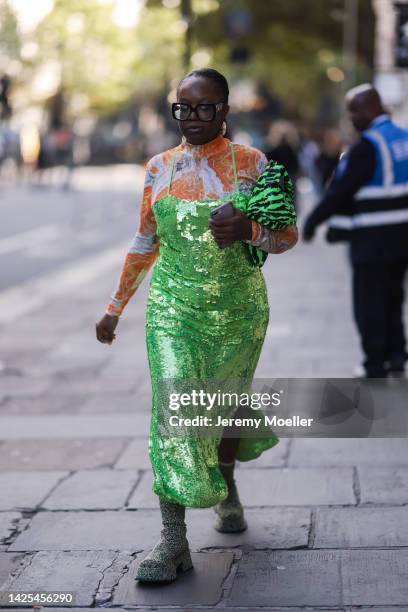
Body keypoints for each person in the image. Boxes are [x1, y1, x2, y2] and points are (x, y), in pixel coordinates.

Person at [96, 68, 298, 583]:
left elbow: (286, 236)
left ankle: (226, 486)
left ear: (226, 110)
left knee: (222, 407)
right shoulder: (157, 168)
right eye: (182, 108)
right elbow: (145, 241)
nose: (191, 117)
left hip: (238, 311)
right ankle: (173, 539)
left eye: (204, 107)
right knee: (175, 408)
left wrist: (251, 229)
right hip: (171, 310)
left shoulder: (253, 165)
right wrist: (116, 307)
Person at [303, 84, 408, 378]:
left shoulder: (367, 147)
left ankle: (374, 362)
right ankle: (397, 354)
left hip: (372, 239)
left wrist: (313, 221)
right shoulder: (404, 139)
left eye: (353, 110)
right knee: (393, 298)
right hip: (402, 237)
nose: (351, 117)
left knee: (369, 303)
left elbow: (340, 191)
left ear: (370, 108)